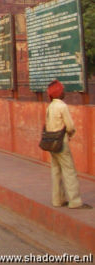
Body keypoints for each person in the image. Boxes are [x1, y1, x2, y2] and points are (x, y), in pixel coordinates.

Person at [45, 80, 91, 209]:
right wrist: (70, 134)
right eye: (62, 90)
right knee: (69, 171)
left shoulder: (50, 106)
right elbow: (70, 126)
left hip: (51, 143)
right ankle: (75, 201)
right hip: (61, 142)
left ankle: (57, 200)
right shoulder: (62, 106)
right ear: (59, 92)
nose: (64, 92)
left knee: (56, 171)